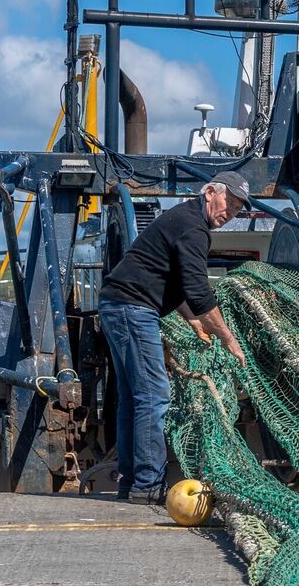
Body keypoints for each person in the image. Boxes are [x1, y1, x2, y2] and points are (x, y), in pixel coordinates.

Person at [98, 171, 250, 502]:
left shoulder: (185, 220)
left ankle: (131, 482)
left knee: (134, 399)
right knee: (154, 396)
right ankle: (149, 485)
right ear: (210, 192)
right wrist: (227, 338)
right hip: (133, 309)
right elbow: (198, 290)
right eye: (230, 203)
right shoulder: (194, 228)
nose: (231, 213)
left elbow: (174, 281)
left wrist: (194, 322)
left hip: (118, 305)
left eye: (238, 209)